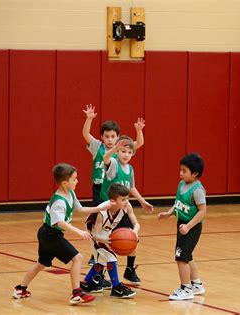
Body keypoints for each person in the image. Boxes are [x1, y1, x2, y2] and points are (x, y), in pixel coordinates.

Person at [12, 163, 111, 305]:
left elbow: (80, 209)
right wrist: (79, 231)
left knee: (41, 263)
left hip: (47, 233)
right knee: (78, 258)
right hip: (51, 234)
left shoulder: (70, 193)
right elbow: (59, 222)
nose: (77, 181)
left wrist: (100, 208)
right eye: (74, 179)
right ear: (65, 183)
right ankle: (77, 293)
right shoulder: (59, 201)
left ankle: (20, 289)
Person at [82, 104, 144, 267]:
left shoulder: (121, 151)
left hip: (116, 191)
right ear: (102, 137)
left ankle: (123, 262)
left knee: (113, 222)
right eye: (107, 136)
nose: (110, 139)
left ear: (117, 138)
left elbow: (137, 144)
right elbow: (85, 134)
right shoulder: (97, 146)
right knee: (100, 221)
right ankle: (95, 252)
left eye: (113, 136)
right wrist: (89, 119)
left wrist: (139, 130)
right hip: (100, 188)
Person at [100, 135, 153, 284]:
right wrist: (114, 149)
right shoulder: (113, 164)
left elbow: (131, 187)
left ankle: (129, 270)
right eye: (123, 151)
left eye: (129, 152)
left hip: (123, 209)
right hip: (108, 210)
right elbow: (105, 158)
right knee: (106, 243)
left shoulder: (130, 169)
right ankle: (100, 273)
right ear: (117, 151)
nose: (126, 155)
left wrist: (142, 201)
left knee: (131, 237)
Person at [157, 153, 207, 300]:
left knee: (181, 257)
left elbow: (203, 211)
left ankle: (186, 288)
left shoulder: (197, 190)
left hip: (192, 227)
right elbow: (178, 203)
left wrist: (189, 226)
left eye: (184, 171)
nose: (181, 174)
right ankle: (197, 285)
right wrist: (168, 213)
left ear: (195, 173)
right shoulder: (181, 184)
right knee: (187, 255)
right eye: (180, 170)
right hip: (182, 224)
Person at [81, 183, 137, 298]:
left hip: (106, 232)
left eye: (127, 198)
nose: (126, 201)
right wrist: (106, 240)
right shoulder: (102, 213)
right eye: (123, 199)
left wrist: (134, 233)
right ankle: (116, 288)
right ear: (113, 201)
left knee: (101, 261)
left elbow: (136, 223)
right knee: (111, 256)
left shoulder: (127, 206)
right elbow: (95, 234)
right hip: (93, 233)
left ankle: (86, 283)